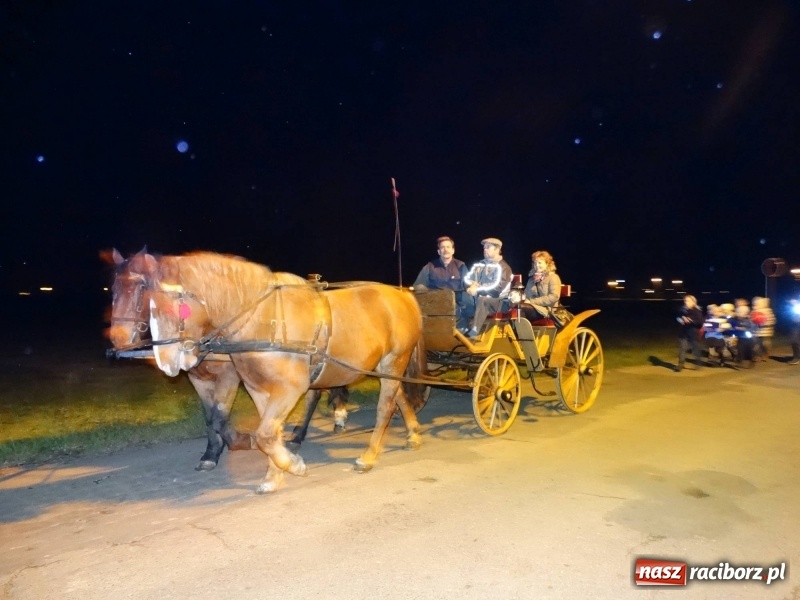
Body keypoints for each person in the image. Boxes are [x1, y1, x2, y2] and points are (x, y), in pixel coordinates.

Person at [412, 236, 470, 329]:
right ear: (439, 251)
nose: (445, 250)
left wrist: (472, 287)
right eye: (442, 247)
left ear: (453, 250)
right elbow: (418, 285)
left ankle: (463, 330)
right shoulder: (430, 266)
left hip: (456, 304)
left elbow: (468, 285)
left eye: (448, 247)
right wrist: (419, 289)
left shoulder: (461, 266)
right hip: (436, 302)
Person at [463, 237, 512, 337]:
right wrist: (471, 286)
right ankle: (461, 328)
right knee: (460, 297)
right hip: (479, 297)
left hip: (500, 302)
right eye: (484, 247)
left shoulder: (503, 267)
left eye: (488, 247)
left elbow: (496, 290)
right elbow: (467, 279)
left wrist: (477, 290)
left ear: (497, 250)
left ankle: (474, 331)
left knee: (483, 299)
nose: (485, 249)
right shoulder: (479, 264)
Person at [509, 250, 562, 321]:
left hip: (547, 309)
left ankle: (521, 330)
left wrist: (532, 302)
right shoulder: (531, 280)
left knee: (520, 307)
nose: (537, 265)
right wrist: (516, 298)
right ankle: (514, 329)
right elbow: (526, 296)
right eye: (535, 263)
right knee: (512, 306)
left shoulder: (553, 277)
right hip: (532, 307)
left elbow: (554, 297)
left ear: (547, 264)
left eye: (540, 263)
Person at [675, 294, 705, 371]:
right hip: (683, 331)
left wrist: (691, 321)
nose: (686, 302)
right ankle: (680, 364)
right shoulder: (682, 309)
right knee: (682, 347)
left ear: (693, 302)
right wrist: (680, 320)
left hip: (693, 332)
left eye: (688, 300)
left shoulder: (697, 311)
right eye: (685, 300)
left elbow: (700, 322)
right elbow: (677, 317)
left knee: (695, 347)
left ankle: (698, 362)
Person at [750, 296, 775, 361]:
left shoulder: (768, 311)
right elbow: (751, 320)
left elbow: (772, 320)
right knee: (757, 344)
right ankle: (758, 355)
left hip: (766, 332)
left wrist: (764, 323)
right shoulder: (753, 312)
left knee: (765, 344)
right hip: (756, 331)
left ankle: (766, 354)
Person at [789, 297, 800, 365]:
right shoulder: (792, 307)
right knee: (794, 341)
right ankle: (796, 358)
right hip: (795, 326)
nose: (792, 301)